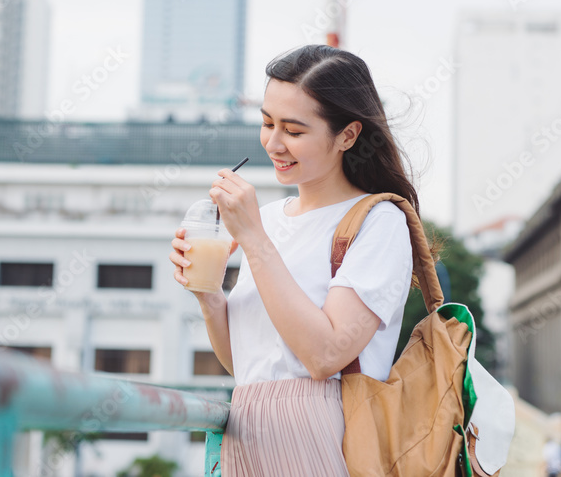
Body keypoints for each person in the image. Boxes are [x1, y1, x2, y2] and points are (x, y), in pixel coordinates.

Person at [170, 45, 422, 475]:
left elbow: (325, 356)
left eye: (294, 130)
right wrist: (209, 296)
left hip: (324, 435)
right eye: (267, 123)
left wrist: (253, 240)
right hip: (246, 426)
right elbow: (246, 364)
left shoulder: (380, 222)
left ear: (347, 135)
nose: (273, 143)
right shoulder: (267, 219)